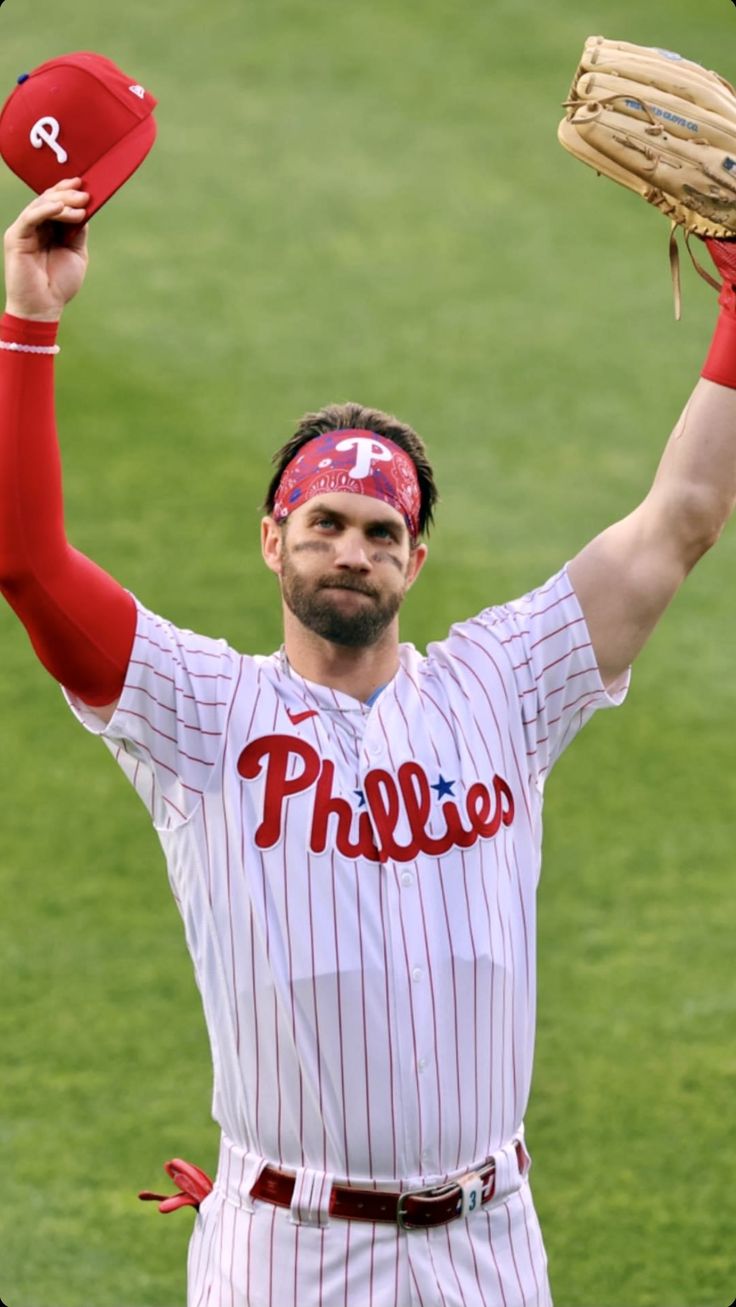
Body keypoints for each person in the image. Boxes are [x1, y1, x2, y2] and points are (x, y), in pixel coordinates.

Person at [2, 179, 736, 1307]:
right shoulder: (199, 711)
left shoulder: (503, 682)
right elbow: (30, 560)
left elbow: (680, 516)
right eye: (324, 524)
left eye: (381, 530)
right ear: (271, 540)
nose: (352, 548)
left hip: (489, 1242)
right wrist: (29, 317)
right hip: (285, 1249)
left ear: (415, 561)